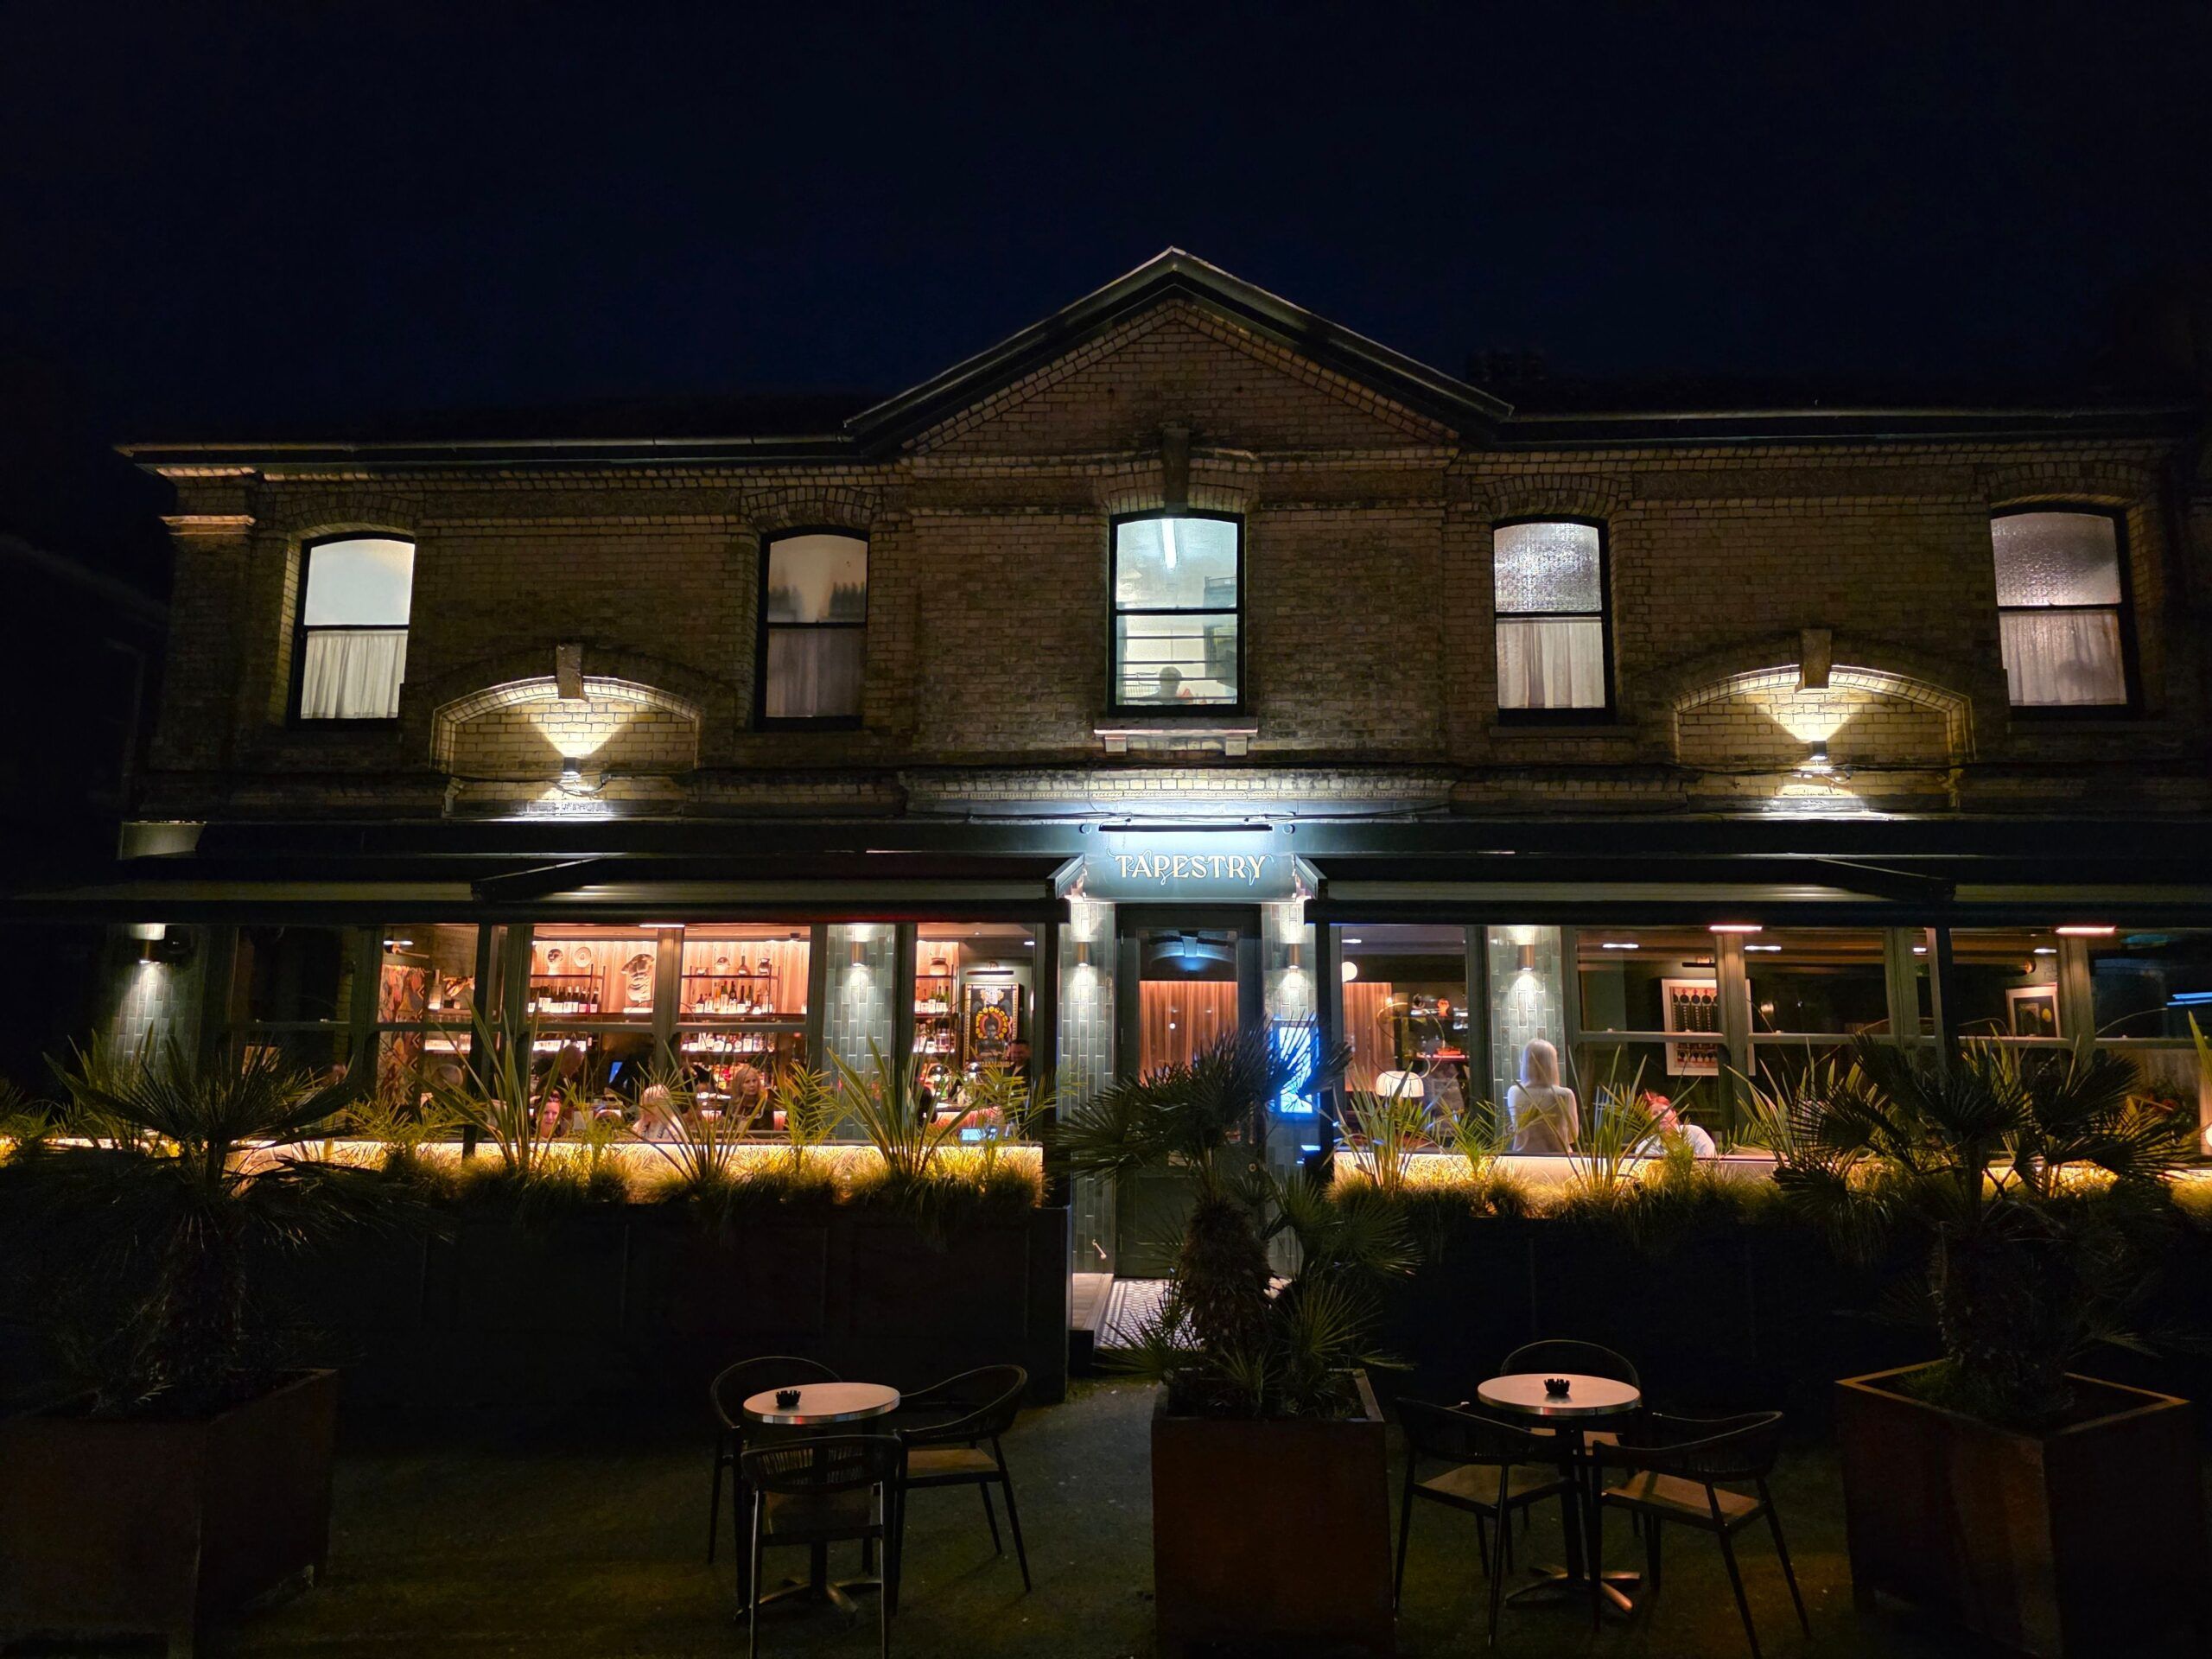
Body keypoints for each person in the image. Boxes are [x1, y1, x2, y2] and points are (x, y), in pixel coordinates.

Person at [1505, 1038, 1580, 1154]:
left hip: (1522, 1158)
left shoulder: (1514, 1092)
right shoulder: (1565, 1095)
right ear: (1552, 1064)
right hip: (1560, 1159)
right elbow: (1572, 1136)